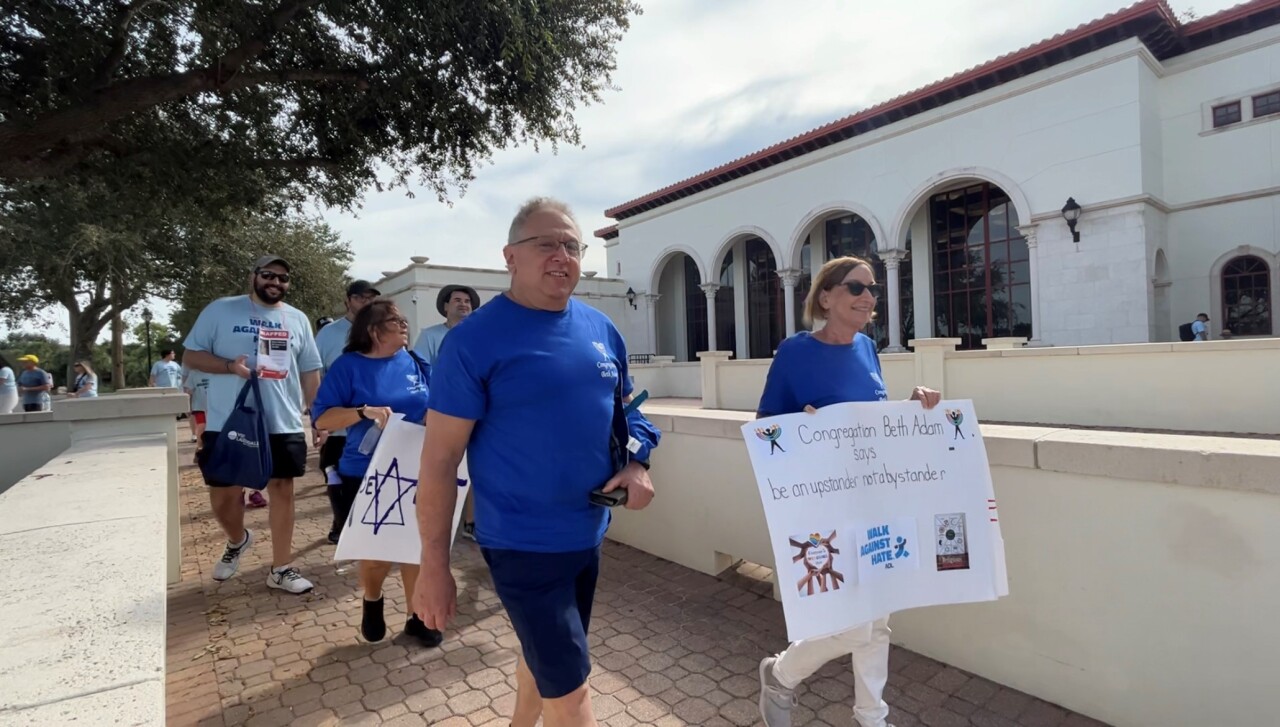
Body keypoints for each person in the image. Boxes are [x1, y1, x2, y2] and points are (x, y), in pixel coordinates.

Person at [414, 197, 661, 727]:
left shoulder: (602, 331)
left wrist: (638, 463)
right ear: (511, 256)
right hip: (520, 545)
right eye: (546, 243)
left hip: (588, 533)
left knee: (544, 660)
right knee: (571, 690)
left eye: (571, 245)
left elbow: (628, 415)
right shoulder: (473, 342)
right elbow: (438, 462)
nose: (562, 256)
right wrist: (433, 565)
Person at [755, 256, 942, 727]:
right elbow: (767, 431)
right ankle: (781, 672)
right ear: (825, 297)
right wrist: (804, 427)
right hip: (825, 506)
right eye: (855, 286)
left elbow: (870, 421)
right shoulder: (794, 353)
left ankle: (871, 716)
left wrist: (913, 406)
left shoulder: (867, 347)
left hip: (876, 501)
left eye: (872, 288)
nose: (868, 296)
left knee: (877, 619)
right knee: (855, 626)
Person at [182, 255, 323, 594]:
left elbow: (310, 370)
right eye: (268, 275)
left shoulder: (297, 319)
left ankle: (281, 568)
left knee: (282, 491)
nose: (276, 282)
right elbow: (191, 356)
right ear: (254, 276)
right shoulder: (220, 310)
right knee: (224, 496)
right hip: (228, 419)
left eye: (283, 278)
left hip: (283, 420)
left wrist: (316, 416)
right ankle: (237, 539)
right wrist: (231, 366)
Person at [311, 299, 443, 647]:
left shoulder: (416, 361)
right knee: (378, 552)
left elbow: (436, 405)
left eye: (403, 320)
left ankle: (418, 617)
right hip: (366, 471)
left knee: (415, 547)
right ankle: (373, 600)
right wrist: (362, 412)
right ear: (372, 330)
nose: (404, 325)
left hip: (415, 469)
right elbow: (322, 418)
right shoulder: (348, 367)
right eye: (395, 320)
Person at [314, 280, 380, 543]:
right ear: (348, 300)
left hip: (374, 424)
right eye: (361, 297)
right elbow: (315, 376)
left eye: (371, 298)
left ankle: (371, 527)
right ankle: (340, 523)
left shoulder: (381, 331)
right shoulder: (329, 334)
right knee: (337, 476)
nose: (367, 302)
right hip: (340, 422)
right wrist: (317, 421)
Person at [412, 284, 479, 368]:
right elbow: (419, 370)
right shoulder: (428, 336)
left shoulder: (479, 337)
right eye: (457, 300)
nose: (463, 304)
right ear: (445, 306)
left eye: (467, 301)